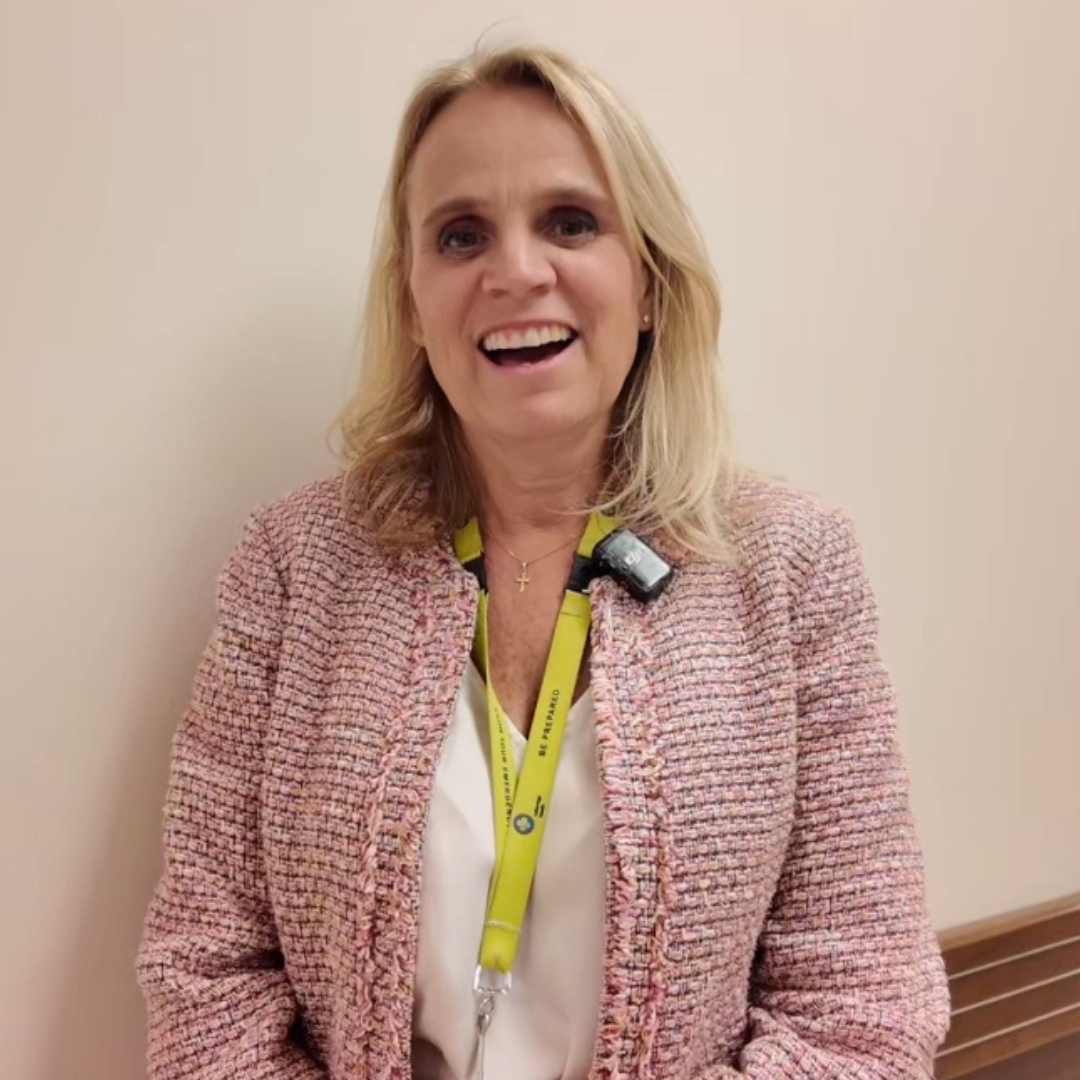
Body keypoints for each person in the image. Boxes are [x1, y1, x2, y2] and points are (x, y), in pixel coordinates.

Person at [136, 44, 951, 1080]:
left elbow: (864, 1009)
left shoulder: (792, 567)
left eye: (570, 222)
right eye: (461, 234)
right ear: (413, 302)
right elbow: (205, 977)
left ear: (648, 281)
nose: (516, 271)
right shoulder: (293, 567)